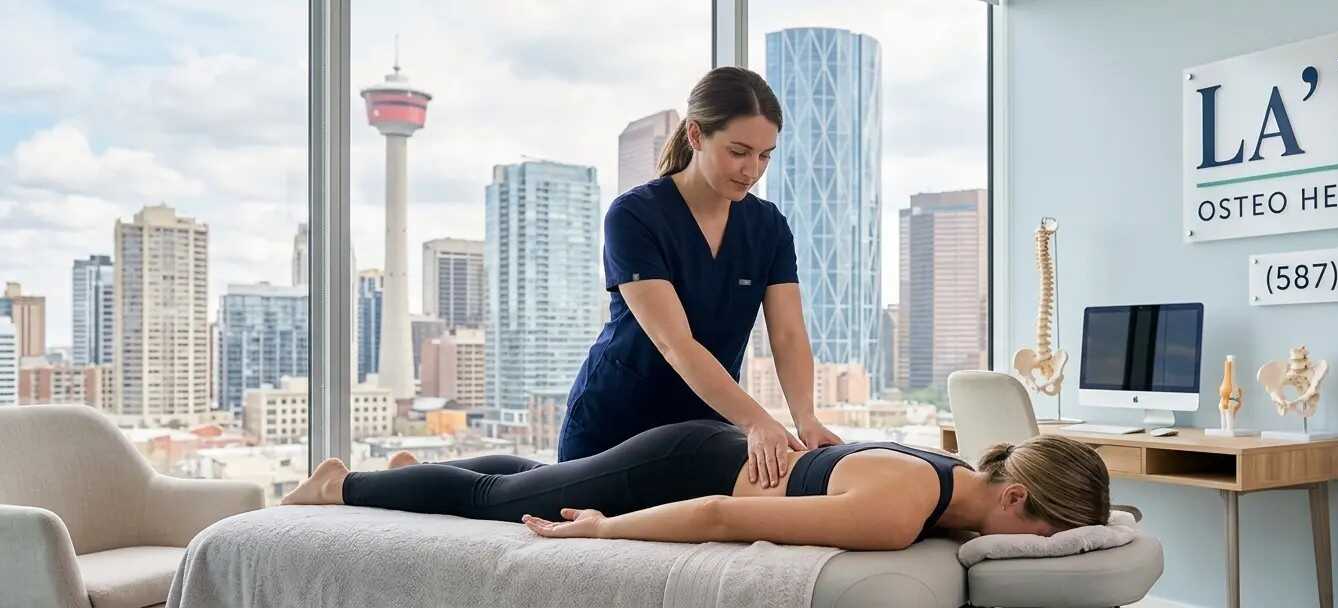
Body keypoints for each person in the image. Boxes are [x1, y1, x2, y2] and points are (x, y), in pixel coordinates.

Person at [562, 66, 841, 489]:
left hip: (701, 430)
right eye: (739, 151)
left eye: (765, 155)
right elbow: (675, 344)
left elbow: (787, 334)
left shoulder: (768, 227)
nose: (752, 170)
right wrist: (756, 421)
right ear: (695, 136)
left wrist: (806, 419)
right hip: (612, 428)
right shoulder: (635, 215)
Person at [280, 423, 1111, 552]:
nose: (1034, 552)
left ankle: (402, 479)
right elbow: (717, 512)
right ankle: (340, 484)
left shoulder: (960, 473)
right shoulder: (903, 514)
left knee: (534, 476)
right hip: (684, 465)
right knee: (502, 505)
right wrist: (603, 532)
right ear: (1014, 500)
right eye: (1045, 536)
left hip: (701, 450)